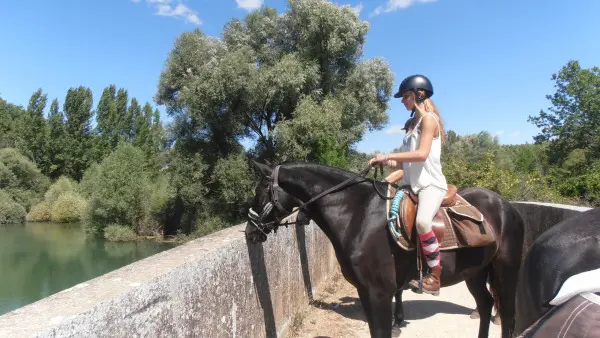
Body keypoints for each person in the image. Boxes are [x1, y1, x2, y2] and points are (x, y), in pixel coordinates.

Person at [368, 74, 448, 295]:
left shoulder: (429, 120)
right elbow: (403, 161)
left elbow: (421, 155)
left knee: (422, 222)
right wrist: (382, 160)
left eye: (405, 96)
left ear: (418, 94)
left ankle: (435, 275)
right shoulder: (411, 124)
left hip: (430, 185)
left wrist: (387, 156)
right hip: (411, 185)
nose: (402, 101)